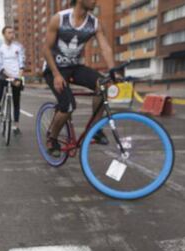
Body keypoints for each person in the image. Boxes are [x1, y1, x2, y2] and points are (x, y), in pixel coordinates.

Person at [43, 0, 115, 157]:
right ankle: (52, 139)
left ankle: (95, 129)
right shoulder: (59, 19)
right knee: (68, 106)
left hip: (74, 67)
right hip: (54, 69)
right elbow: (46, 49)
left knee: (103, 85)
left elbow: (105, 47)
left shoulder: (94, 23)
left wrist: (113, 71)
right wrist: (56, 75)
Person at [0, 26, 25, 135]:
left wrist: (19, 78)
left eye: (13, 32)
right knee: (1, 82)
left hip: (16, 77)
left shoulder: (18, 47)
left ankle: (16, 126)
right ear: (4, 34)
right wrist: (10, 78)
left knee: (16, 102)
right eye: (9, 32)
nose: (12, 34)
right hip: (5, 75)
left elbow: (22, 64)